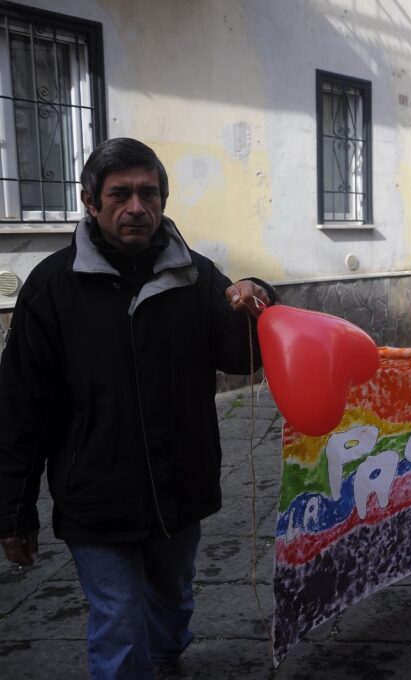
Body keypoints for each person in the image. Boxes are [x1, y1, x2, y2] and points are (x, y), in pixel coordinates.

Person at [0, 138, 274, 678]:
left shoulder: (196, 276)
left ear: (163, 201)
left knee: (171, 604)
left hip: (180, 487)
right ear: (89, 201)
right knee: (119, 623)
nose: (136, 208)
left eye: (148, 194)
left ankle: (166, 658)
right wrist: (14, 512)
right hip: (93, 494)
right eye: (120, 194)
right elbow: (20, 405)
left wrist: (258, 296)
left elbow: (242, 356)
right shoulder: (52, 287)